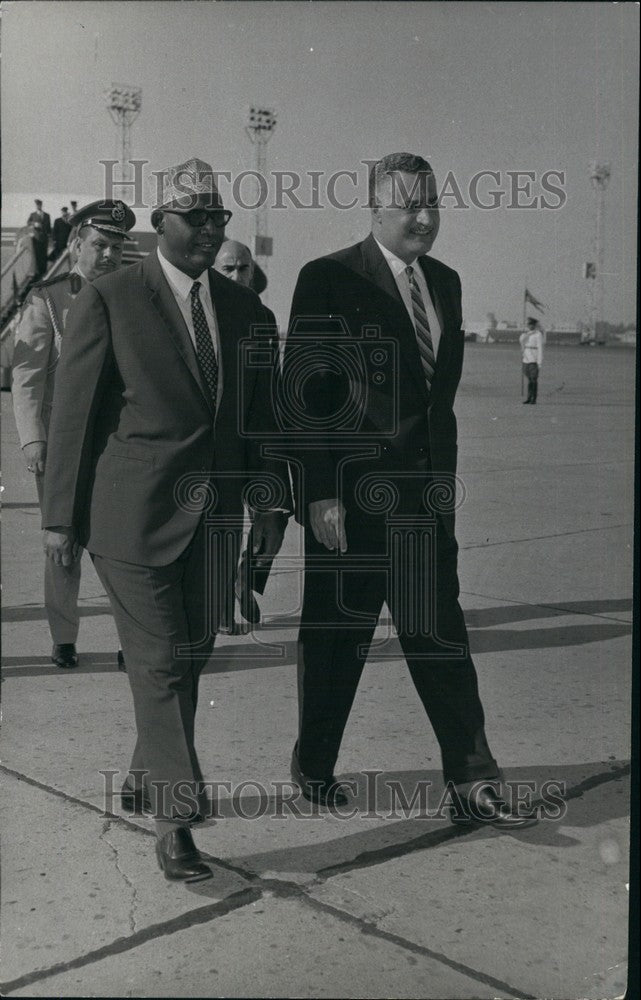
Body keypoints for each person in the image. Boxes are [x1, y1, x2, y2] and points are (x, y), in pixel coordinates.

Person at [42, 158, 289, 883]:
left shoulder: (249, 315)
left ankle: (147, 769)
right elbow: (74, 416)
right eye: (195, 218)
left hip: (214, 521)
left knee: (192, 654)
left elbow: (262, 422)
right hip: (129, 518)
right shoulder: (113, 297)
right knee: (158, 661)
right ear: (161, 225)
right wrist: (58, 518)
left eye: (219, 218)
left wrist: (268, 501)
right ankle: (177, 819)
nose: (210, 231)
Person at [284, 151, 535, 829]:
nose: (424, 217)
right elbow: (305, 397)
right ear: (375, 208)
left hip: (423, 500)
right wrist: (317, 494)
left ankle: (472, 779)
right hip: (351, 500)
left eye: (431, 204)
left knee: (439, 637)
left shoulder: (445, 283)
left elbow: (435, 402)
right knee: (339, 637)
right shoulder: (329, 277)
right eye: (409, 205)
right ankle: (313, 762)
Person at [12, 200, 135, 669]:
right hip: (61, 449)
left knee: (122, 546)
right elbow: (27, 378)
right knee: (62, 544)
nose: (108, 256)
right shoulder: (48, 300)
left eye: (117, 249)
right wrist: (33, 440)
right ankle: (64, 637)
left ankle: (131, 638)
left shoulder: (134, 297)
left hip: (117, 448)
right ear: (76, 244)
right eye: (100, 245)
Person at [214, 239, 280, 624]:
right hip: (219, 443)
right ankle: (222, 607)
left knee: (274, 522)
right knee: (223, 526)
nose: (237, 276)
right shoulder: (202, 311)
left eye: (243, 268)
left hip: (257, 438)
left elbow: (269, 382)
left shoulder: (264, 317)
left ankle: (246, 578)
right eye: (228, 268)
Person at [520, 316, 544, 404]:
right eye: (528, 324)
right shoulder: (526, 334)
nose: (529, 326)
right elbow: (521, 341)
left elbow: (540, 348)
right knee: (529, 379)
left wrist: (539, 362)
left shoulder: (538, 334)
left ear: (534, 325)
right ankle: (529, 397)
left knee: (534, 379)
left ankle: (534, 398)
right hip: (526, 358)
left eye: (531, 324)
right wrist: (527, 334)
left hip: (534, 358)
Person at [27, 199, 52, 277]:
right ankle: (37, 272)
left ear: (41, 205)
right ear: (36, 205)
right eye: (37, 205)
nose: (38, 206)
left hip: (44, 238)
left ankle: (43, 271)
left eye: (39, 205)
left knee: (44, 255)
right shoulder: (33, 215)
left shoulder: (47, 215)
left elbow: (49, 228)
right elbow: (28, 223)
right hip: (36, 238)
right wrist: (34, 224)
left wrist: (50, 238)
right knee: (37, 255)